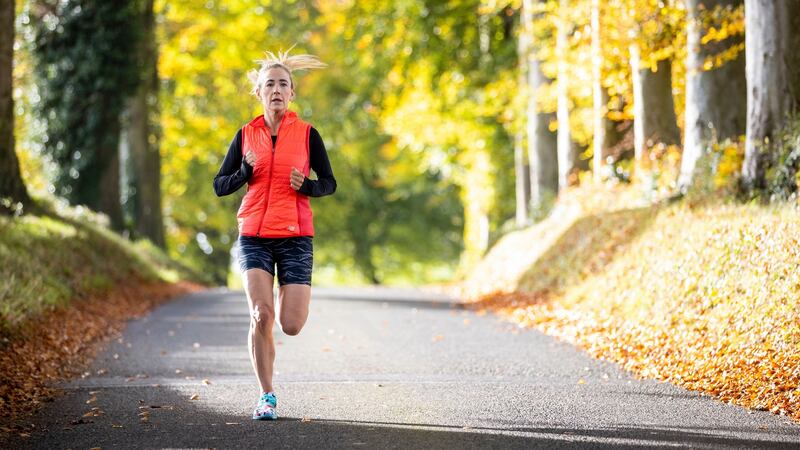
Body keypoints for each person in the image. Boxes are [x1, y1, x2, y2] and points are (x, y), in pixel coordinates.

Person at [213, 49, 336, 420]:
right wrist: (244, 174)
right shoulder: (245, 135)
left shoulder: (308, 134)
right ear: (259, 93)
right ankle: (266, 396)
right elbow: (220, 185)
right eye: (270, 84)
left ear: (293, 93)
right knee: (260, 315)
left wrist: (308, 186)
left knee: (291, 324)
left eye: (283, 84)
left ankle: (283, 312)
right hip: (253, 234)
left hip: (296, 234)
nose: (277, 89)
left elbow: (329, 183)